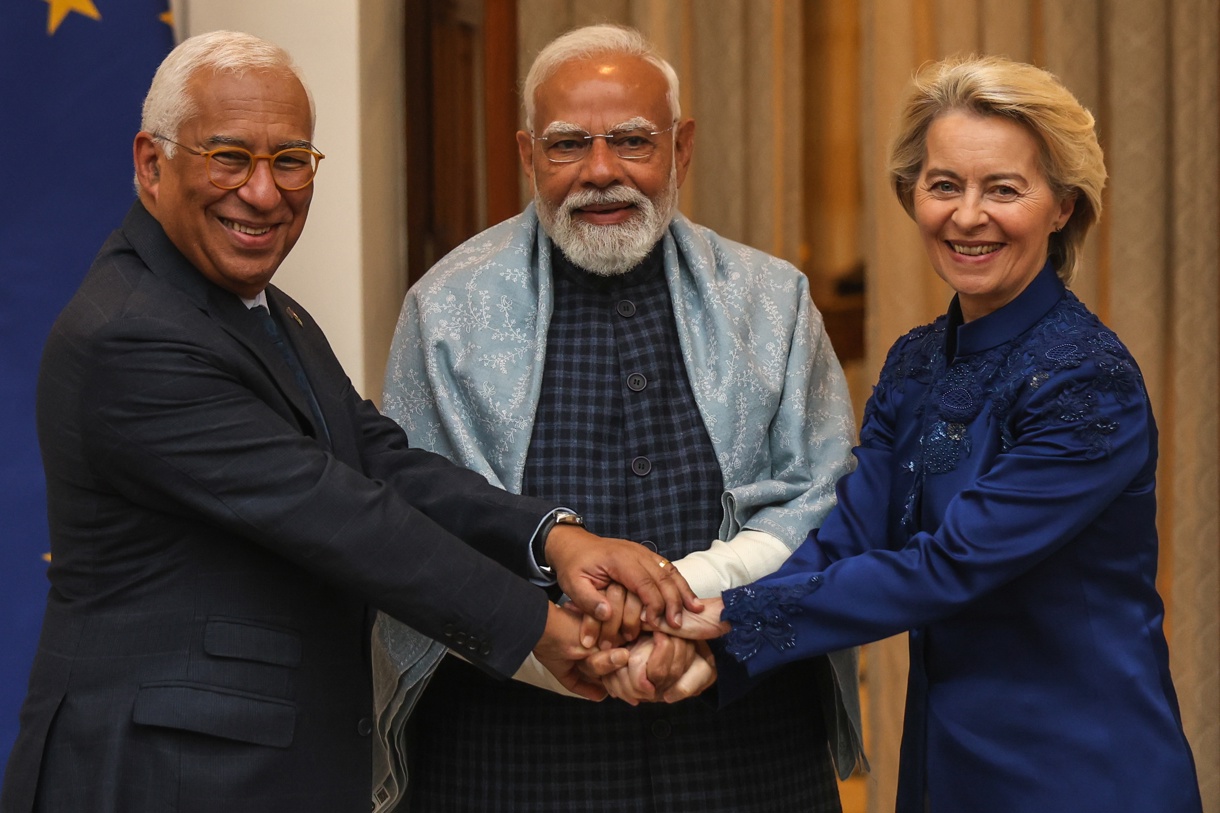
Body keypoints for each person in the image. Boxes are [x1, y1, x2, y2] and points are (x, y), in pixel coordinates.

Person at [0, 30, 700, 813]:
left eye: (291, 159)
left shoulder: (261, 308)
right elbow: (340, 515)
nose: (264, 192)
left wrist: (557, 538)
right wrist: (537, 624)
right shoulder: (132, 334)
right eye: (230, 156)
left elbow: (378, 460)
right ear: (152, 163)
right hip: (158, 777)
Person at [659, 54, 1205, 812]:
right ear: (911, 194)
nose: (967, 215)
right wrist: (701, 622)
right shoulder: (917, 360)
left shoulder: (1087, 379)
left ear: (1064, 206)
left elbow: (947, 566)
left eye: (1004, 189)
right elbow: (849, 539)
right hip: (944, 759)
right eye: (944, 184)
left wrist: (727, 626)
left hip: (1081, 767)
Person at [380, 23, 863, 813]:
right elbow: (412, 521)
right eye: (568, 145)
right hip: (510, 752)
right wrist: (557, 642)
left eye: (633, 141)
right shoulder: (447, 309)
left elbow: (825, 499)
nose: (601, 172)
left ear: (682, 148)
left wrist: (693, 601)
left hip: (742, 744)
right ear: (528, 153)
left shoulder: (771, 301)